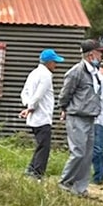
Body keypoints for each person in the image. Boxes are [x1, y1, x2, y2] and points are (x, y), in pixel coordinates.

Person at [56, 39, 103, 197]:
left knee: (87, 154)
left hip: (91, 116)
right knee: (78, 151)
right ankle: (64, 183)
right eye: (99, 52)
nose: (101, 55)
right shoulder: (76, 72)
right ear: (91, 54)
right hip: (77, 115)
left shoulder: (94, 73)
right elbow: (66, 93)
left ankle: (80, 188)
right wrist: (64, 108)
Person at [19, 48, 62, 180]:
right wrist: (30, 108)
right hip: (42, 116)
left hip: (34, 117)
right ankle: (37, 173)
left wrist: (27, 105)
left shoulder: (33, 73)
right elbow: (39, 95)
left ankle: (31, 169)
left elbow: (24, 93)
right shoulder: (46, 75)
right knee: (44, 147)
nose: (56, 65)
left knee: (40, 145)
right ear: (48, 62)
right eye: (54, 62)